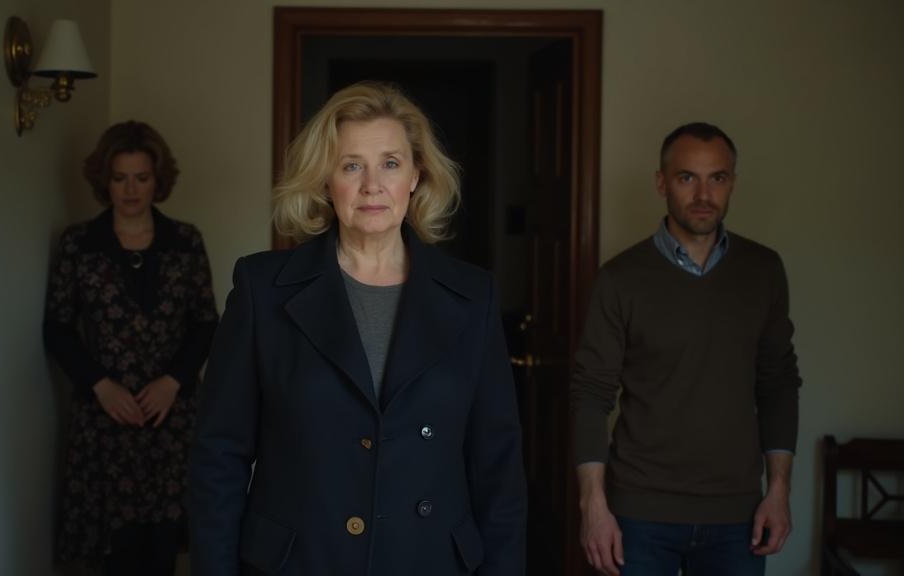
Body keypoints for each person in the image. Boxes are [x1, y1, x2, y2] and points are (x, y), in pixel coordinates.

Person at [189, 82, 526, 575]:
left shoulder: (473, 296)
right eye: (351, 165)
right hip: (302, 563)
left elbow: (499, 467)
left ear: (416, 176)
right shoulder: (263, 288)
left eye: (390, 163)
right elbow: (219, 456)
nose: (372, 185)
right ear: (326, 181)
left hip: (428, 561)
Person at [570, 122, 802, 575]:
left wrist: (779, 491)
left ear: (732, 183)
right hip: (639, 512)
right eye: (687, 177)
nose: (703, 195)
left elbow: (778, 384)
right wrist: (593, 506)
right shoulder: (620, 278)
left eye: (717, 178)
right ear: (662, 183)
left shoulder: (763, 271)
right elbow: (591, 393)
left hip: (737, 516)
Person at [44, 120, 218, 575]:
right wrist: (100, 386)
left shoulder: (186, 241)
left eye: (141, 177)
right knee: (114, 552)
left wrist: (172, 382)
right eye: (120, 178)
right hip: (105, 419)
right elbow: (58, 328)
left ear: (158, 180)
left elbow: (205, 322)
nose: (131, 189)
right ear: (104, 180)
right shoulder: (79, 244)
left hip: (170, 416)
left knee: (162, 548)